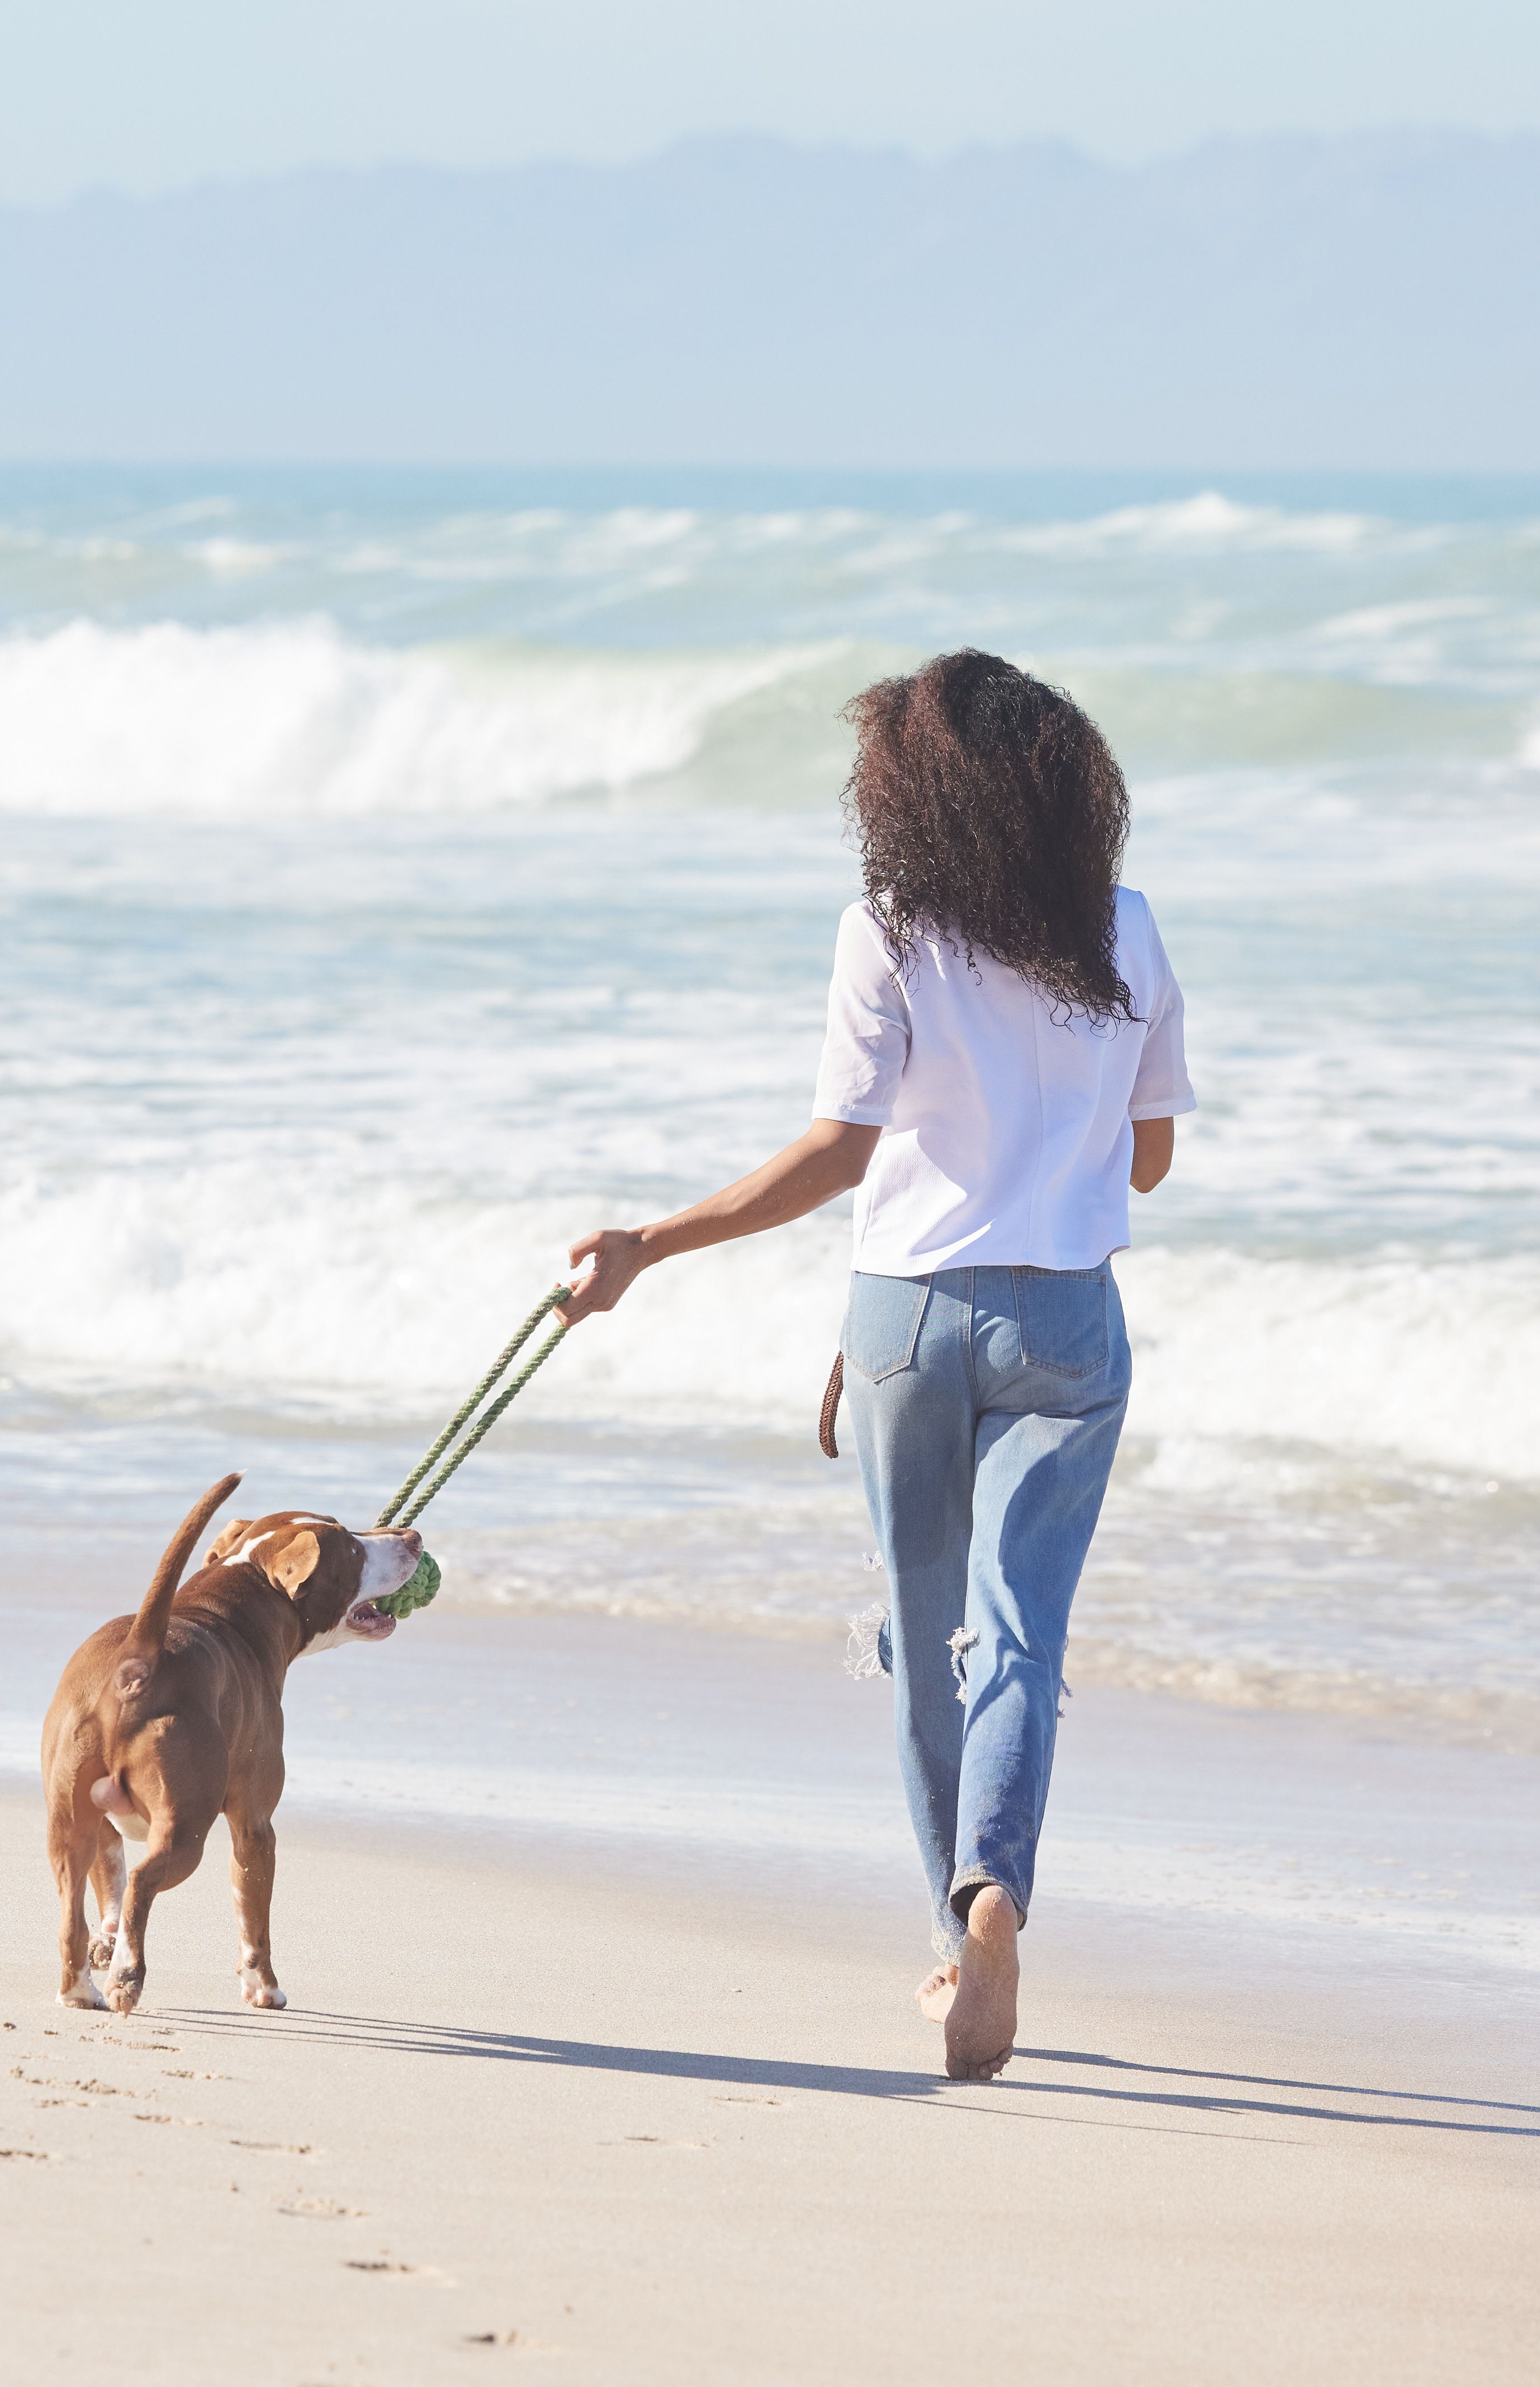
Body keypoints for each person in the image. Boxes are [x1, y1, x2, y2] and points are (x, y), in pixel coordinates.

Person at [559, 650, 1191, 2081]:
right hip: (1069, 1330)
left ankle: (951, 1942)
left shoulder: (887, 930)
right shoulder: (1124, 927)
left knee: (921, 1645)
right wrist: (1068, 1119)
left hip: (901, 1316)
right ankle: (997, 1897)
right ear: (1063, 783)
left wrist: (647, 1245)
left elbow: (839, 1155)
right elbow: (1147, 1160)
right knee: (1018, 1633)